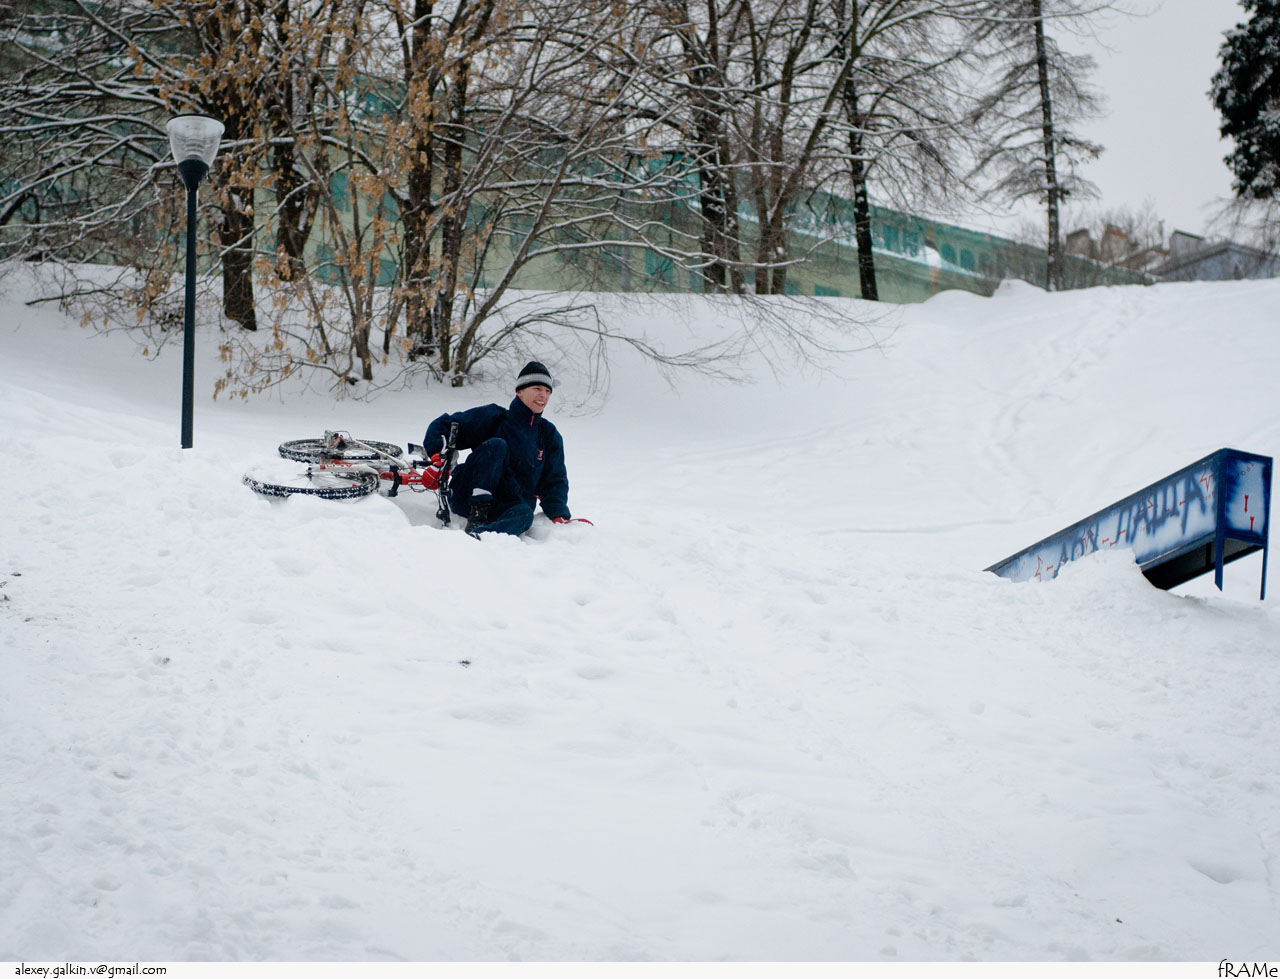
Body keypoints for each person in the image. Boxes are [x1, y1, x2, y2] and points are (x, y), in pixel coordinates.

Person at [422, 361, 574, 537]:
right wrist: (438, 457)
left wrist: (558, 512)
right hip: (467, 495)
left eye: (548, 391)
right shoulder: (495, 417)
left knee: (525, 515)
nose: (543, 395)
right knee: (497, 446)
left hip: (506, 504)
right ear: (520, 391)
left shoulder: (548, 434)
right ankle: (478, 514)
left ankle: (478, 537)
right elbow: (445, 425)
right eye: (537, 388)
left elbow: (555, 479)